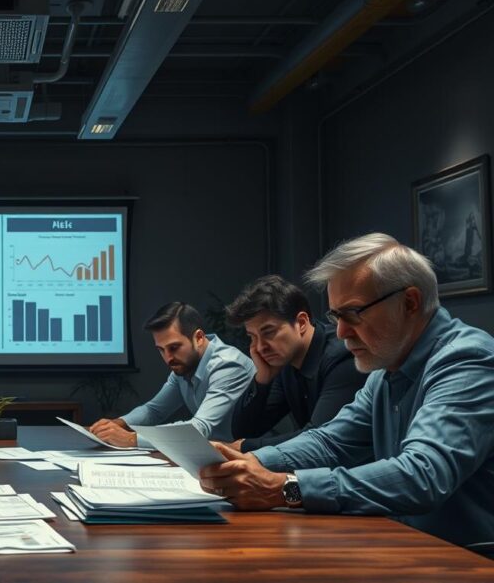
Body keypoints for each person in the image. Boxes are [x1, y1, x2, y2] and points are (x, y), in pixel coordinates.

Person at [199, 233, 494, 549]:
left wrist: (286, 487)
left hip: (468, 562)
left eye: (353, 314)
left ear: (410, 302)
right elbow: (330, 442)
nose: (340, 332)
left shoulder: (467, 359)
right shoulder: (386, 368)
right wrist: (246, 462)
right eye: (336, 316)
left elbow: (422, 475)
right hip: (408, 548)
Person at [225, 275, 367, 451]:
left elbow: (321, 436)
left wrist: (245, 447)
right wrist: (262, 379)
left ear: (301, 323)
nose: (260, 347)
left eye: (268, 332)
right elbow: (244, 430)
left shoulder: (342, 356)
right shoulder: (285, 363)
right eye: (253, 337)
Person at [88, 302, 255, 447]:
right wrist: (117, 424)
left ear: (199, 338)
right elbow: (154, 411)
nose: (168, 358)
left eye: (174, 348)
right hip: (214, 454)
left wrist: (132, 439)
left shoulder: (228, 366)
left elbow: (198, 428)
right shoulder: (185, 365)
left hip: (249, 459)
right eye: (161, 350)